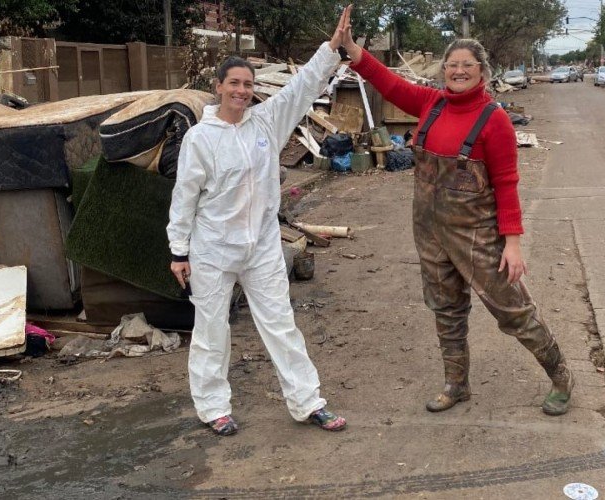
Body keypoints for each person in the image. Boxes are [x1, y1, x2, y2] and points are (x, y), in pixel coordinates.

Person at [338, 19, 574, 416]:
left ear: (482, 71)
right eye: (452, 65)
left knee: (512, 311)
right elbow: (389, 83)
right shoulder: (432, 104)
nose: (459, 71)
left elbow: (506, 183)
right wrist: (351, 49)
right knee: (445, 309)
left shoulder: (494, 119)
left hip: (476, 235)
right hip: (429, 232)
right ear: (443, 70)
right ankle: (456, 384)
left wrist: (512, 243)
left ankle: (561, 376)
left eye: (467, 64)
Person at [167, 6, 354, 436]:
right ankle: (214, 407)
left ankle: (308, 402)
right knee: (212, 331)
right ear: (217, 87)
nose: (243, 90)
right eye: (234, 83)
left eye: (248, 84)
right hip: (213, 249)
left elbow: (302, 88)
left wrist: (331, 48)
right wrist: (179, 250)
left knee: (281, 325)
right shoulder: (200, 138)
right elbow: (185, 197)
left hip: (263, 247)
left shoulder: (266, 123)